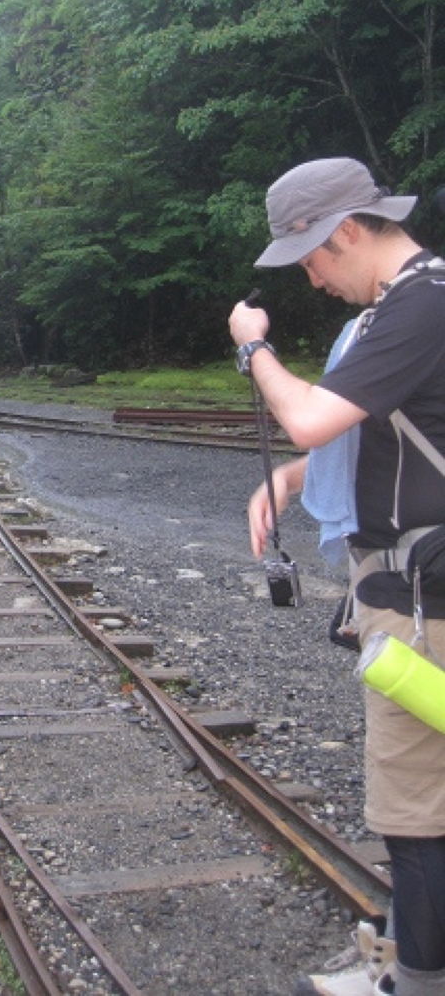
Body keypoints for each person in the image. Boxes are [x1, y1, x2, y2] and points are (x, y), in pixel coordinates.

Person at [228, 158, 445, 996]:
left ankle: (414, 983)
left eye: (312, 257)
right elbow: (382, 430)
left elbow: (315, 412)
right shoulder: (419, 298)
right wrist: (288, 479)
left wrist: (255, 349)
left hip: (424, 608)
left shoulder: (420, 300)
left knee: (417, 812)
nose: (312, 278)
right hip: (419, 589)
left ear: (347, 230)